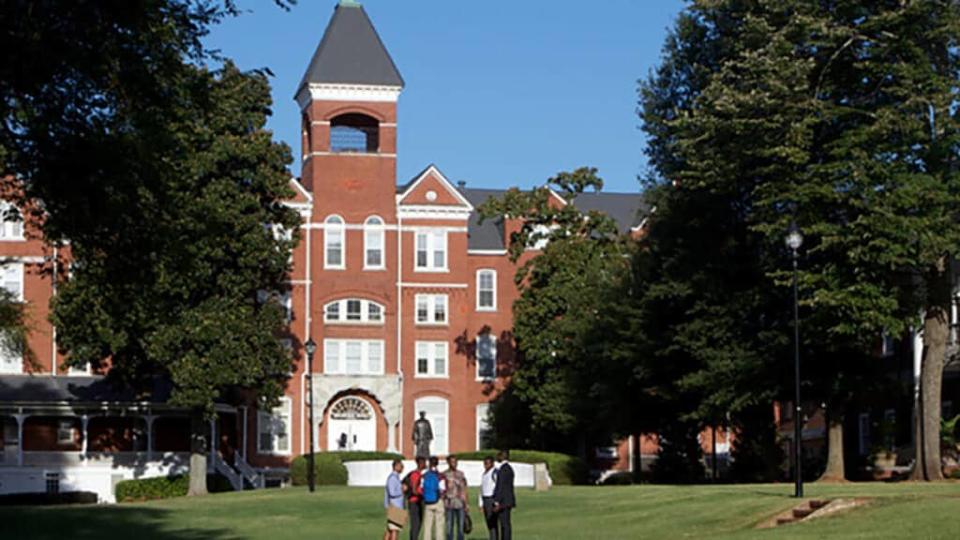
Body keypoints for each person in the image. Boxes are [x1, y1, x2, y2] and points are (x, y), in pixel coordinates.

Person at [420, 456, 446, 540]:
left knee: (427, 526)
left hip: (428, 502)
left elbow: (421, 489)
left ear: (429, 463)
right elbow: (442, 489)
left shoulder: (425, 475)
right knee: (439, 526)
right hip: (438, 501)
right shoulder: (440, 476)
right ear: (437, 463)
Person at [442, 456, 469, 540]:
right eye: (452, 462)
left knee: (460, 527)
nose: (454, 463)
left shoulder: (461, 474)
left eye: (455, 462)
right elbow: (442, 490)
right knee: (449, 528)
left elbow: (464, 489)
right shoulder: (444, 474)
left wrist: (466, 504)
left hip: (460, 503)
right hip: (449, 503)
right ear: (448, 463)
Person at [492, 450, 515, 540]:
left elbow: (500, 486)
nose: (497, 457)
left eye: (499, 455)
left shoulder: (502, 469)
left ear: (503, 456)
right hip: (508, 499)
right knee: (507, 523)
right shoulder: (509, 468)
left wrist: (497, 501)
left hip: (503, 501)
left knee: (504, 524)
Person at [403, 457, 427, 540]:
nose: (425, 464)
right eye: (424, 462)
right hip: (415, 502)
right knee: (416, 524)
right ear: (419, 463)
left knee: (418, 523)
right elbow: (414, 490)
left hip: (418, 501)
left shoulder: (420, 474)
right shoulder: (415, 475)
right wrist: (423, 495)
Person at [384, 459, 405, 540]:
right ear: (395, 466)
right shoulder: (393, 478)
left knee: (389, 530)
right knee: (394, 530)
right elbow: (392, 493)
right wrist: (402, 490)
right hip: (395, 507)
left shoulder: (395, 477)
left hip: (395, 506)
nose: (402, 468)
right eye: (401, 466)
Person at [479, 456, 499, 540]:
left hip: (491, 499)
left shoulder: (495, 473)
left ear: (492, 463)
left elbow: (498, 487)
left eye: (487, 463)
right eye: (485, 463)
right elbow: (481, 488)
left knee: (493, 522)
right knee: (488, 522)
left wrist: (496, 502)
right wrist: (481, 503)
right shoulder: (484, 474)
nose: (485, 465)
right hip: (485, 499)